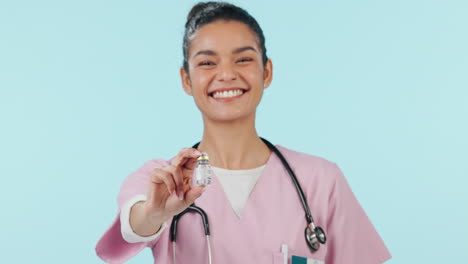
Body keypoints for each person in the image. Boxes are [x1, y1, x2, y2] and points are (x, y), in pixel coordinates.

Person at [95, 2, 391, 263]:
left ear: (267, 72)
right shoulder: (161, 180)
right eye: (207, 62)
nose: (226, 74)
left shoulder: (321, 181)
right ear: (186, 79)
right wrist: (155, 215)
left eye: (244, 59)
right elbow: (135, 222)